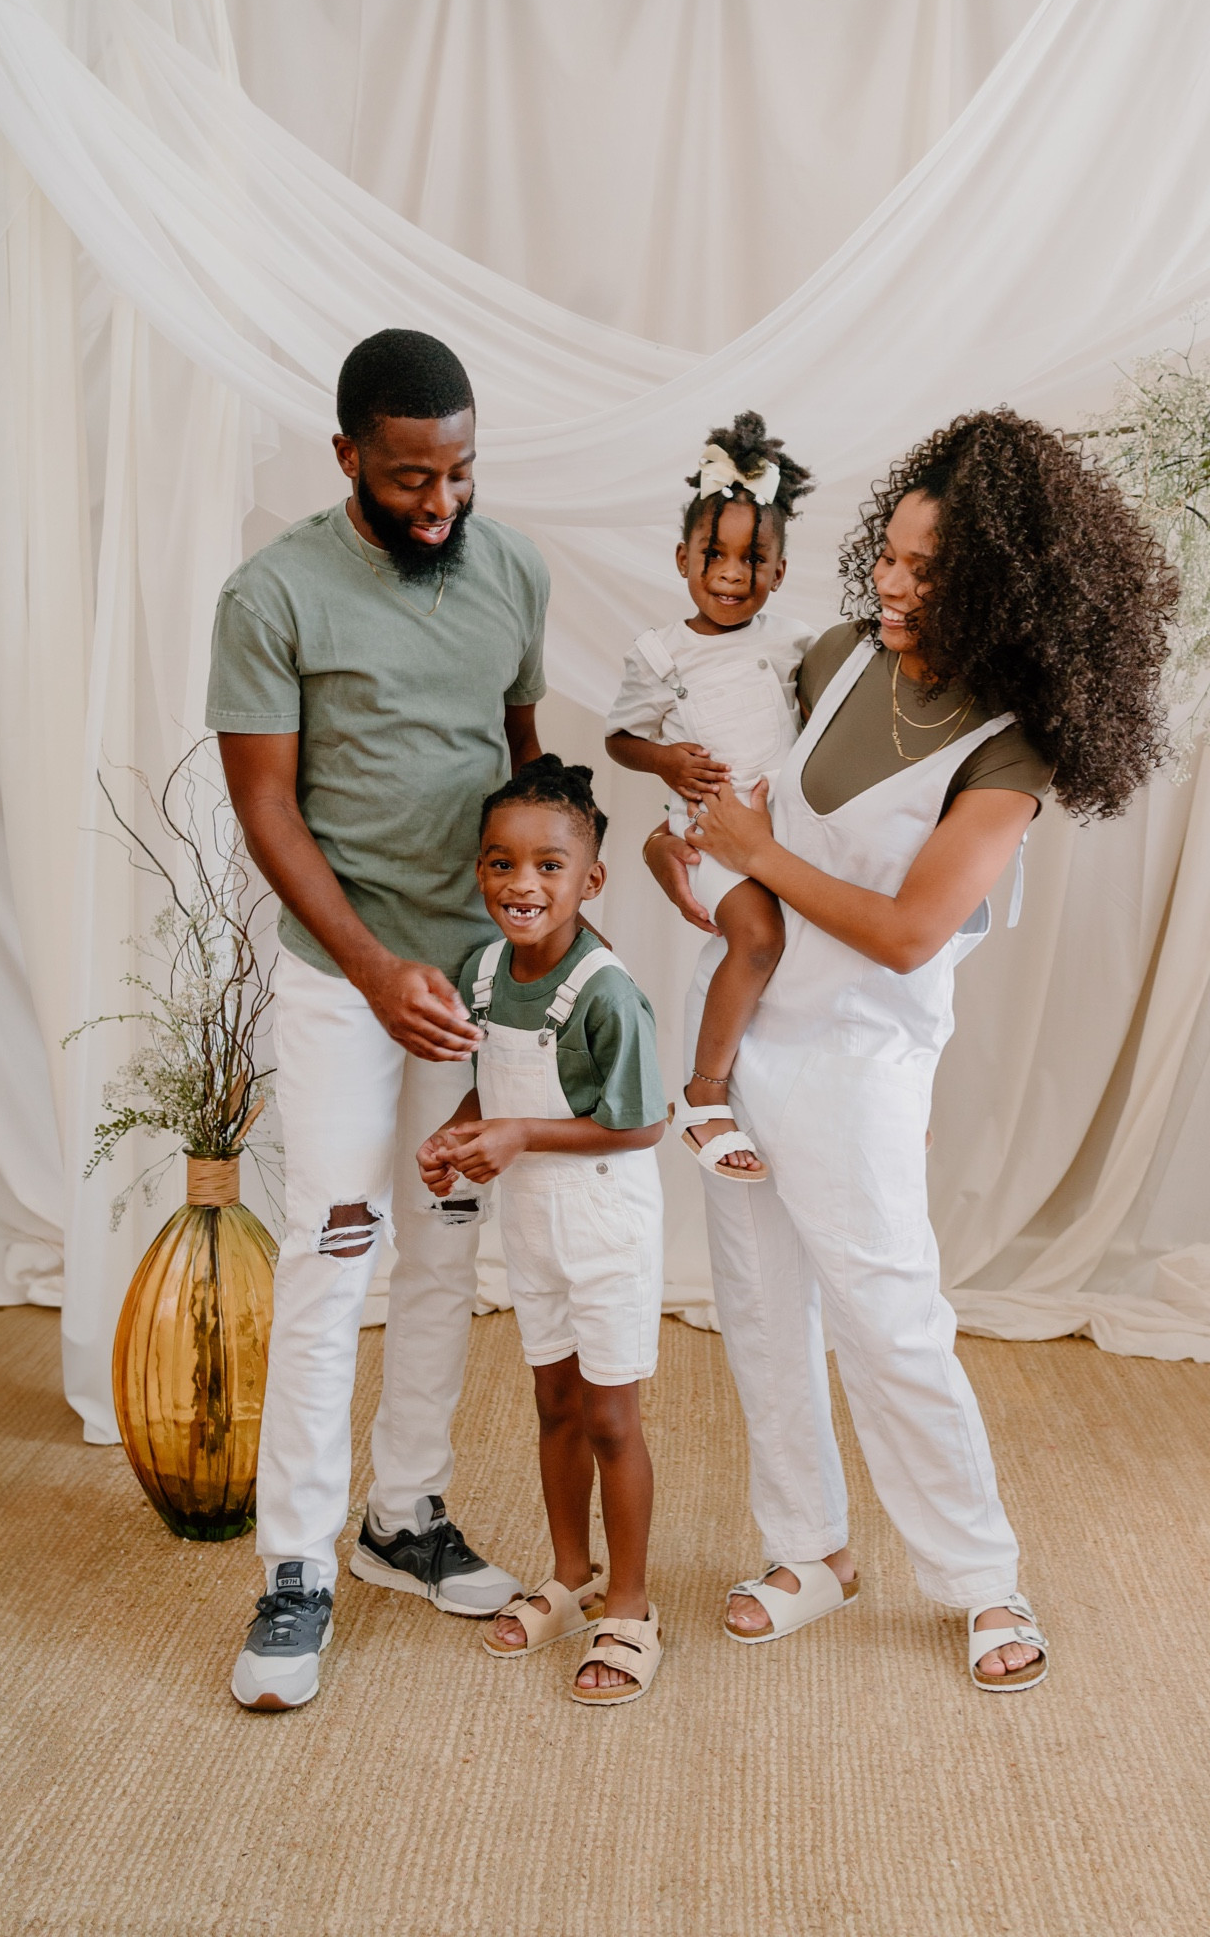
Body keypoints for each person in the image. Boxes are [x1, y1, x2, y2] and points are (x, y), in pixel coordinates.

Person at [646, 408, 1176, 1691]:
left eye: (926, 568)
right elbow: (712, 806)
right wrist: (685, 861)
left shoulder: (1009, 750)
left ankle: (983, 1578)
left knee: (891, 1323)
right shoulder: (829, 658)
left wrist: (753, 856)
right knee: (764, 1313)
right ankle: (809, 1550)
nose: (887, 580)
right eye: (886, 552)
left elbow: (904, 931)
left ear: (1000, 584)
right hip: (747, 1036)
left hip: (864, 1066)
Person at [209, 329, 548, 1712]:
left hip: (471, 983)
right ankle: (294, 1568)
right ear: (345, 455)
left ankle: (402, 1513)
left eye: (459, 473)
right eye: (409, 477)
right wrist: (370, 969)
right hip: (345, 984)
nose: (439, 505)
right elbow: (264, 808)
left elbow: (528, 769)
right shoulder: (272, 592)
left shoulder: (511, 570)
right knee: (333, 1249)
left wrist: (530, 958)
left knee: (443, 1248)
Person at [418, 758, 668, 1705]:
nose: (522, 885)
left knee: (610, 1415)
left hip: (604, 1218)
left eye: (549, 867)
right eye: (501, 863)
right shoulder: (480, 972)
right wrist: (465, 1129)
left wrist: (519, 1135)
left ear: (589, 880)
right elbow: (500, 1086)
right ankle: (572, 1573)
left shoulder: (605, 991)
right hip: (530, 1219)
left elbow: (643, 1121)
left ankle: (631, 1604)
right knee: (553, 1405)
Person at [605, 412, 815, 1179]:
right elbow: (619, 738)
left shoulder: (791, 642)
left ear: (780, 570)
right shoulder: (662, 653)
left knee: (827, 943)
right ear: (683, 558)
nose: (731, 573)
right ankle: (702, 1093)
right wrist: (664, 761)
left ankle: (852, 1096)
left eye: (752, 558)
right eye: (714, 555)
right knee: (758, 939)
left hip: (785, 829)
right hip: (712, 832)